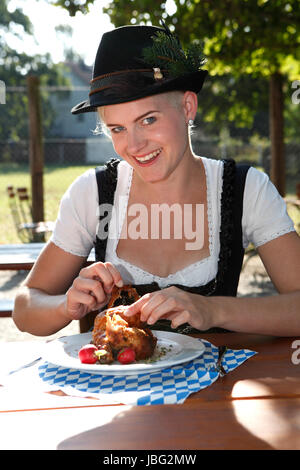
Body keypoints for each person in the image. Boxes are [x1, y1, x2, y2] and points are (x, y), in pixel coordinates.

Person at [13, 24, 300, 337]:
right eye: (118, 129)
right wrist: (65, 305)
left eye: (148, 120)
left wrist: (212, 309)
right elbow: (26, 307)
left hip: (218, 383)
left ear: (188, 106)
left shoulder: (247, 190)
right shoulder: (92, 194)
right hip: (115, 386)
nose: (134, 146)